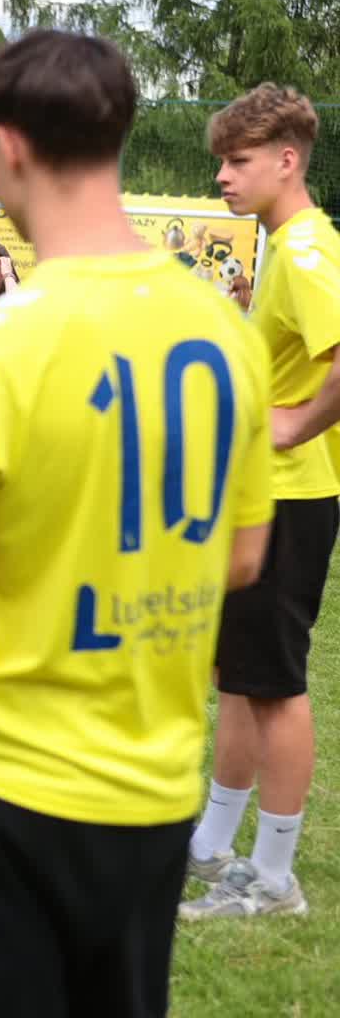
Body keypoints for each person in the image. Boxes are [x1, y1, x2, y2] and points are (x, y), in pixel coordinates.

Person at [0, 31, 272, 1018]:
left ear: (6, 145)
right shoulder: (226, 332)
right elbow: (244, 553)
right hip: (154, 796)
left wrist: (41, 629)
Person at [181, 83, 340, 921]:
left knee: (274, 685)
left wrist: (292, 425)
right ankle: (211, 843)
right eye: (220, 161)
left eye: (236, 161)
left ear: (285, 160)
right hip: (262, 497)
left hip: (290, 498)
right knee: (237, 676)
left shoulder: (308, 249)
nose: (222, 176)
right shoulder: (286, 246)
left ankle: (274, 878)